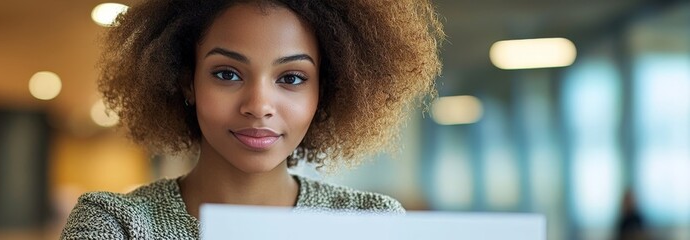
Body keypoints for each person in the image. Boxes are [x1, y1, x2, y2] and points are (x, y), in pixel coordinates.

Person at [61, 0, 442, 239]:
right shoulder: (114, 224)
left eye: (291, 78)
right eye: (227, 74)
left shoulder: (370, 222)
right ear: (186, 81)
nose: (259, 105)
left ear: (322, 93)